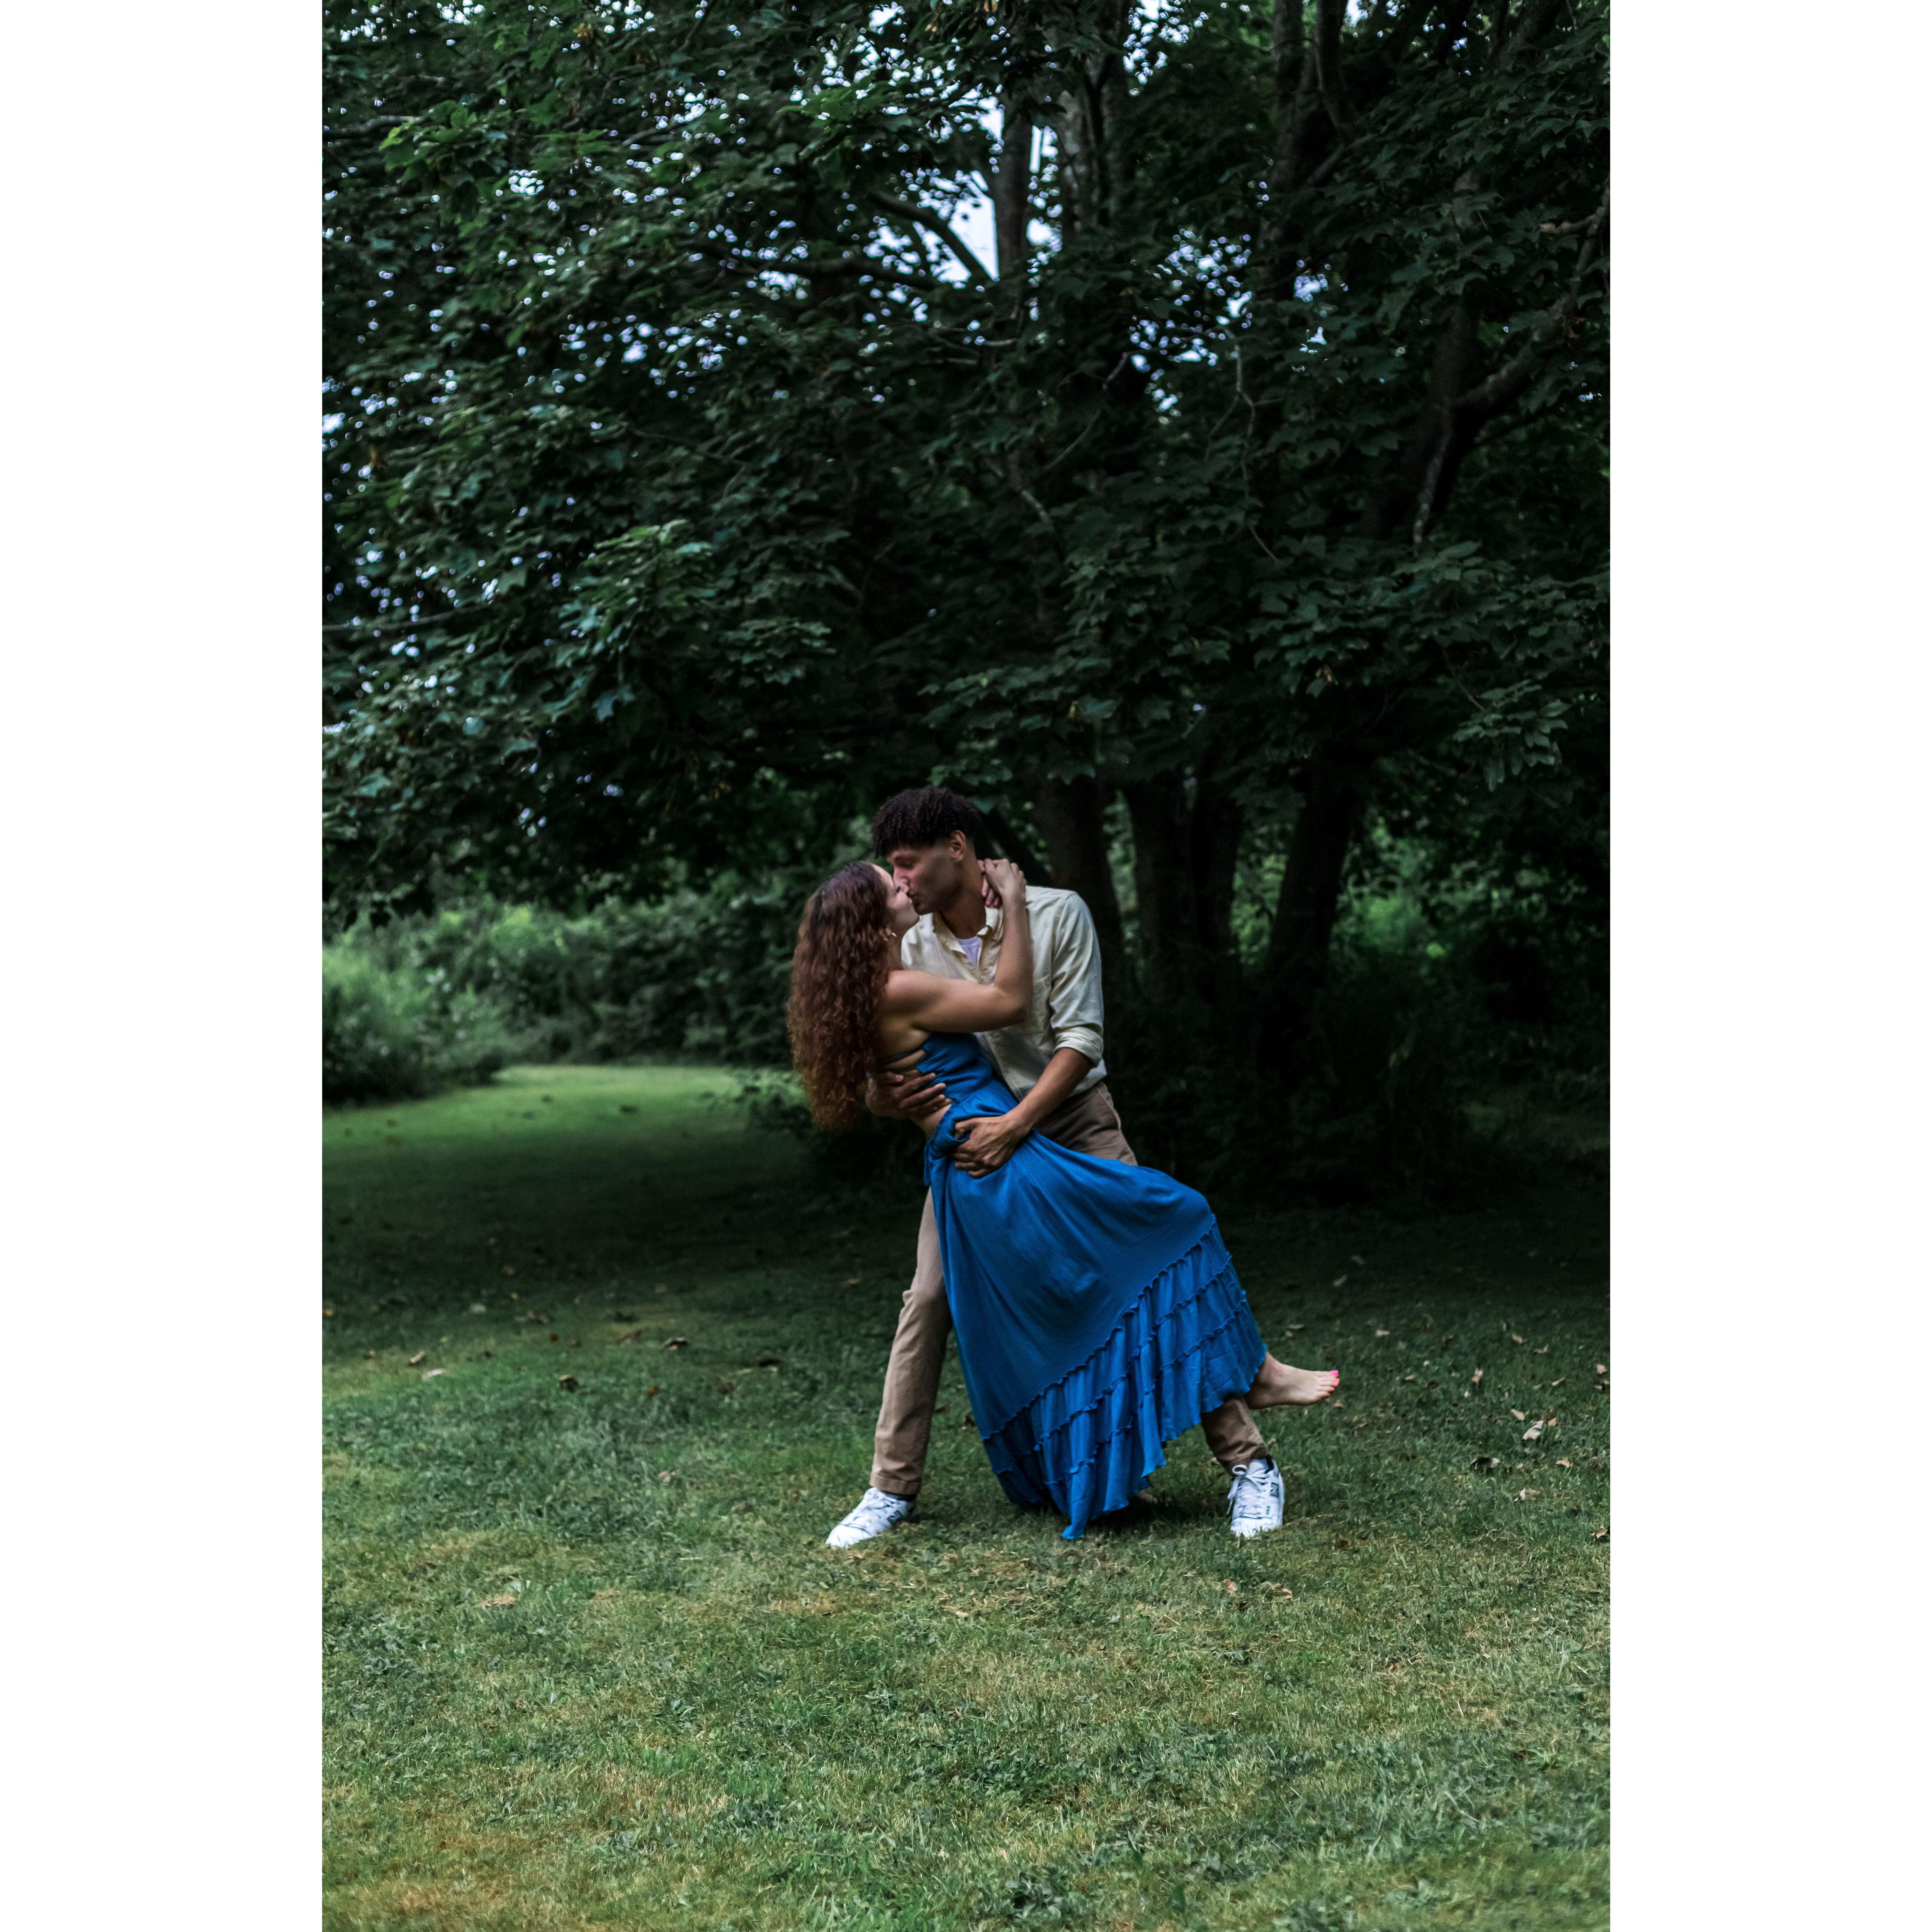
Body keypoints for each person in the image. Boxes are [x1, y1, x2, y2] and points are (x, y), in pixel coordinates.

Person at [792, 814, 1337, 1543]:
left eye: (907, 863)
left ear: (956, 848)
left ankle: (1249, 1463)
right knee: (927, 1298)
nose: (902, 880)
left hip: (1066, 1121)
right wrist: (882, 1098)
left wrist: (1014, 1122)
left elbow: (1080, 1039)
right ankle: (889, 1488)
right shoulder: (908, 944)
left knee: (1142, 1265)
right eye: (891, 872)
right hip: (977, 1152)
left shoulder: (1055, 911)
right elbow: (890, 1064)